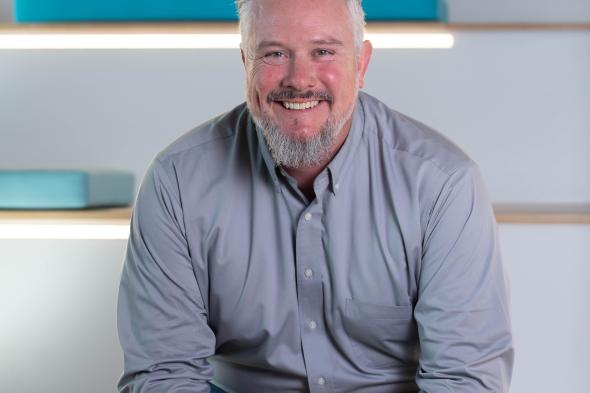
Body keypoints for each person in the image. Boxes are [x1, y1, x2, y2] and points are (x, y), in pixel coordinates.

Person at [117, 0, 514, 392]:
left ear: (361, 64)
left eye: (322, 51)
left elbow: (464, 380)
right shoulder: (177, 183)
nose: (299, 79)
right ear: (245, 64)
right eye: (274, 53)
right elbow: (165, 374)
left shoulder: (443, 185)